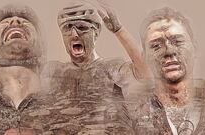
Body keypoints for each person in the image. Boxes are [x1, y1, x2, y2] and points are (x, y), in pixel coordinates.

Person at [40, 1, 146, 134]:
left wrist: (119, 30)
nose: (74, 34)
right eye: (67, 28)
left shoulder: (111, 67)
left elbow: (144, 73)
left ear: (95, 33)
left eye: (82, 27)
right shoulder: (53, 71)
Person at [0, 4, 54, 134]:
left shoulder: (70, 102)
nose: (15, 21)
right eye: (5, 20)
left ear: (42, 46)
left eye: (25, 19)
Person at [130, 7, 205, 135]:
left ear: (194, 47)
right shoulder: (129, 113)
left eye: (177, 41)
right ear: (144, 57)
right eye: (156, 46)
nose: (169, 51)